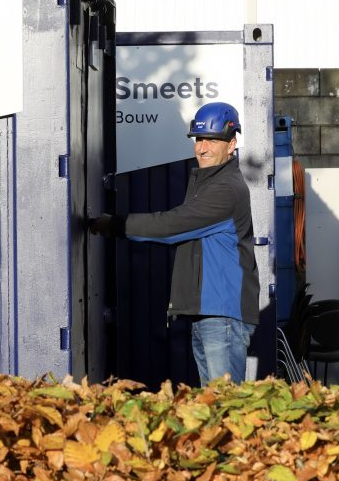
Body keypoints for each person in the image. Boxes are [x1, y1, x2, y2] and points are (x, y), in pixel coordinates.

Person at [90, 101, 259, 386]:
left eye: (211, 141)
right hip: (209, 314)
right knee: (212, 410)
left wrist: (115, 224)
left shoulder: (225, 189)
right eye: (199, 139)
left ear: (231, 145)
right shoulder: (207, 182)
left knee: (227, 410)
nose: (202, 148)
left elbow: (170, 226)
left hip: (222, 317)